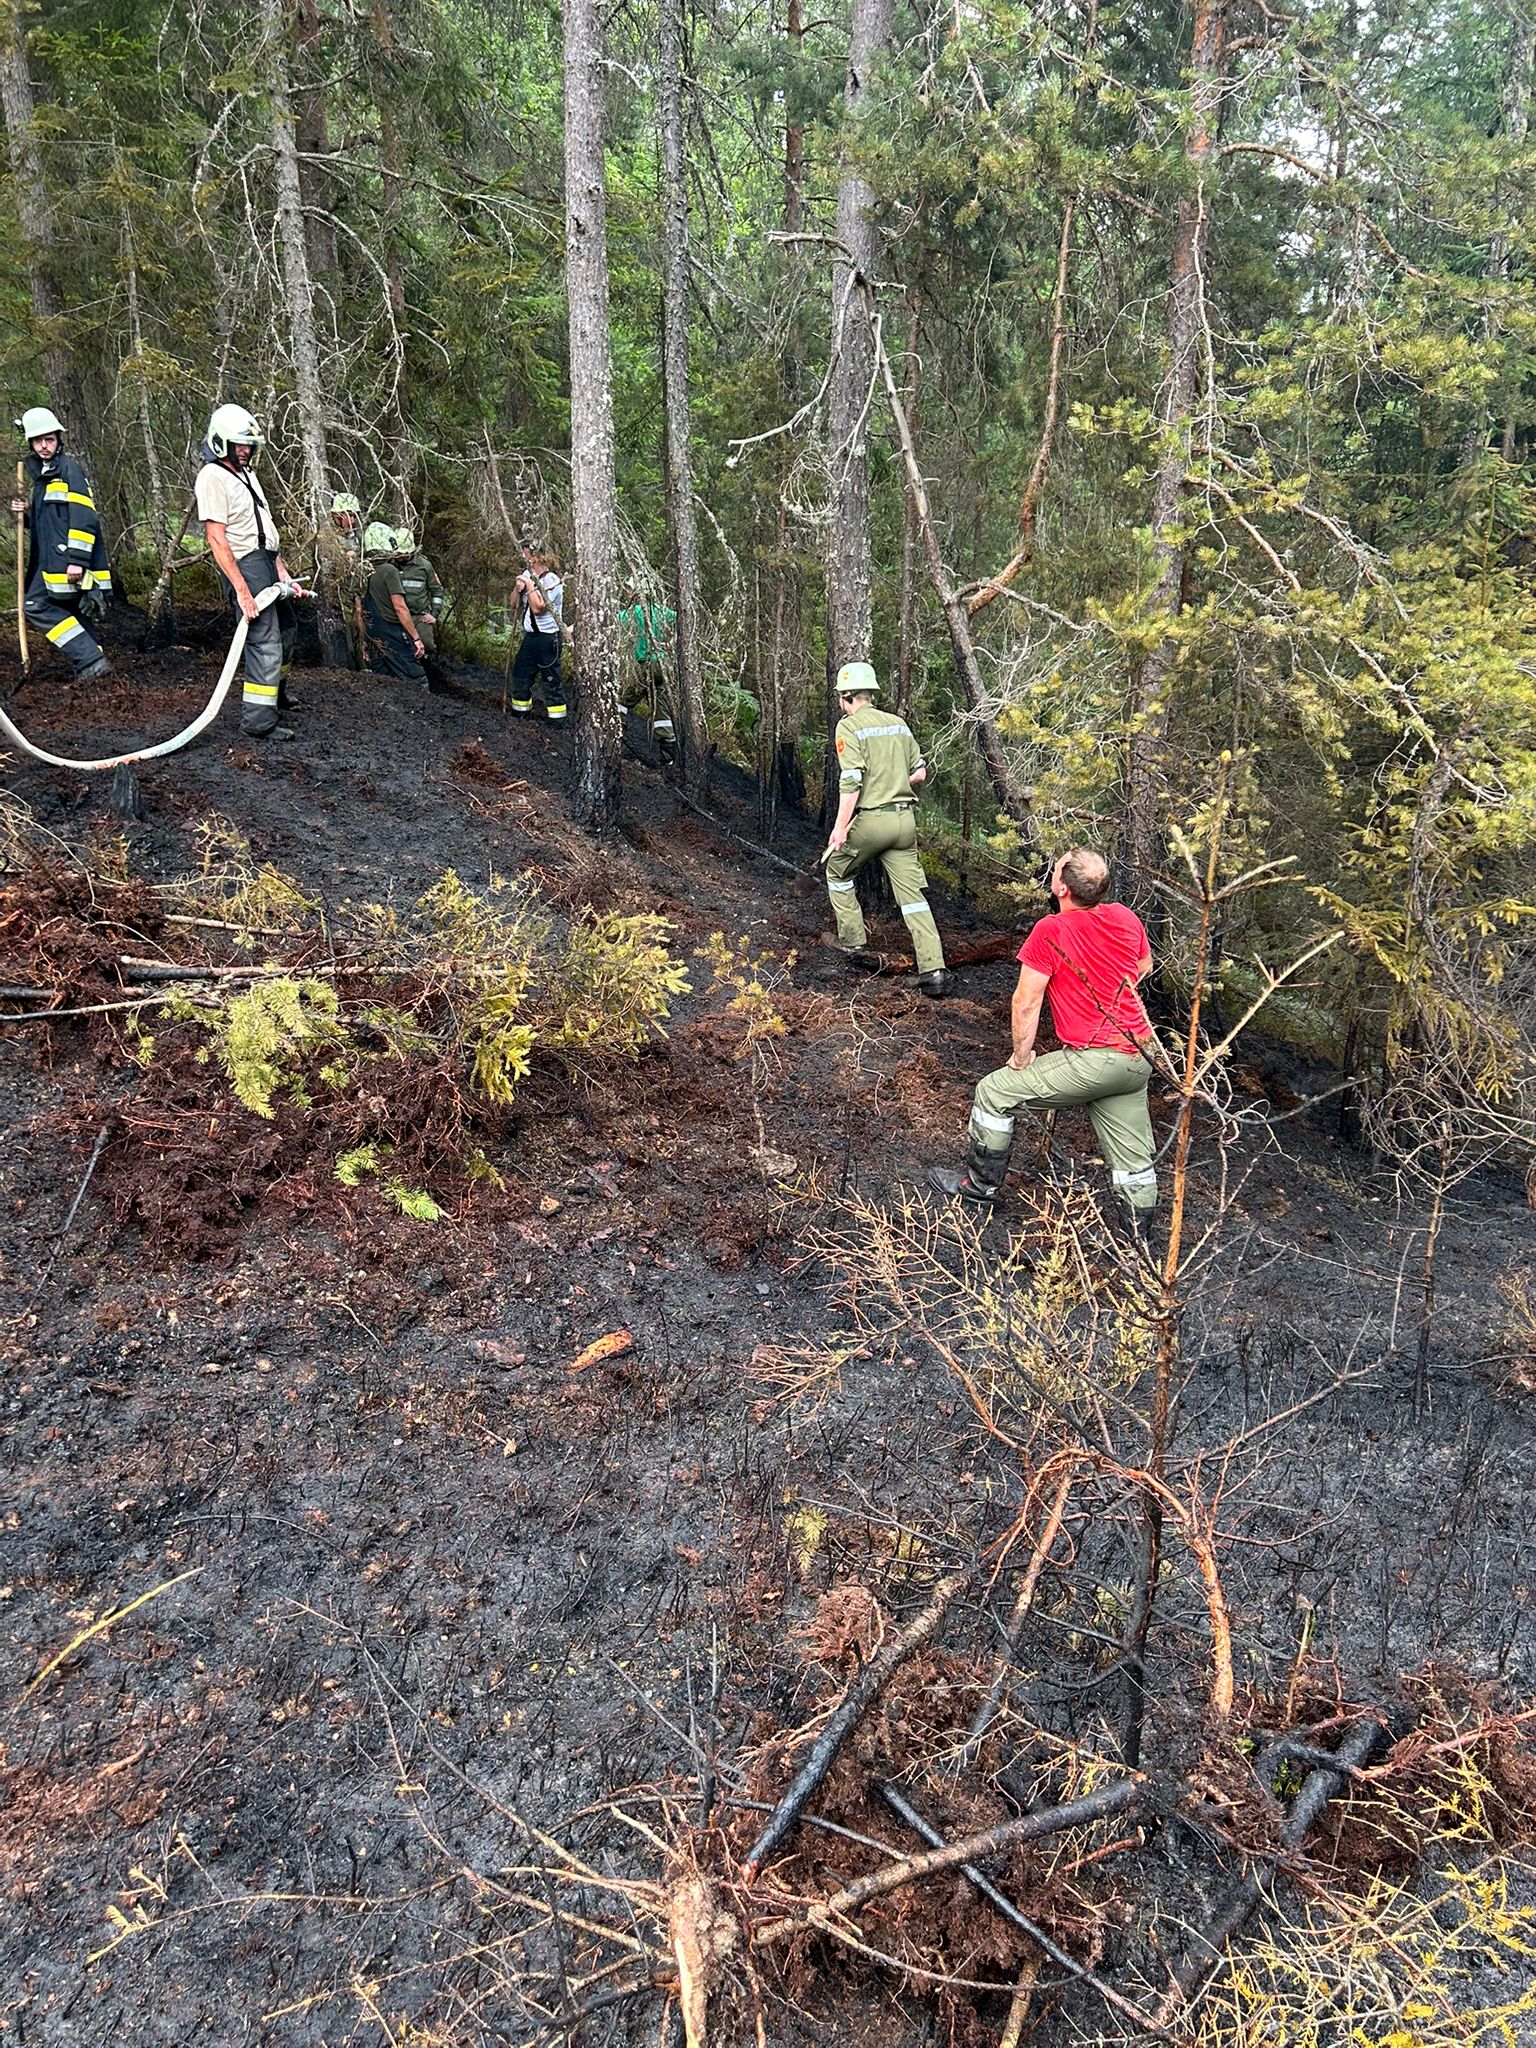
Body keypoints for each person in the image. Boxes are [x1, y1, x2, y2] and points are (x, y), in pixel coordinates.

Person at [928, 847, 1159, 1219]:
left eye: (1056, 869)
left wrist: (1021, 1057)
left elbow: (1025, 1002)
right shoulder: (1124, 916)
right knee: (1132, 1156)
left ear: (1063, 889)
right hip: (1139, 1055)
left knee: (993, 1093)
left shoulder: (1051, 929)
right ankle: (1140, 1237)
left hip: (1095, 1060)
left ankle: (979, 1189)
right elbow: (1144, 965)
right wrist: (1109, 986)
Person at [823, 662, 955, 998]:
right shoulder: (897, 724)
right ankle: (934, 970)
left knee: (837, 872)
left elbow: (851, 782)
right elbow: (920, 773)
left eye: (841, 696)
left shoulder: (848, 727)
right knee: (912, 898)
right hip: (904, 823)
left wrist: (839, 830)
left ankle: (852, 945)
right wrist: (895, 782)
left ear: (847, 697)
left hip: (873, 822)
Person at [194, 404, 305, 739]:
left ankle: (276, 693)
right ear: (220, 442)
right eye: (239, 445)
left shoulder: (247, 474)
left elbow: (264, 531)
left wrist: (283, 573)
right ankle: (258, 722)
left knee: (287, 629)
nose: (245, 450)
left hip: (266, 562)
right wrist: (242, 590)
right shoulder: (212, 477)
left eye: (249, 445)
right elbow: (216, 538)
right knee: (265, 639)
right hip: (245, 567)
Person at [10, 405, 112, 683]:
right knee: (73, 610)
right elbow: (50, 522)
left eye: (50, 439)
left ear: (58, 440)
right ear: (31, 442)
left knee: (34, 605)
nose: (45, 445)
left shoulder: (68, 470)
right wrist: (27, 514)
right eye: (39, 440)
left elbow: (84, 518)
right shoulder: (43, 477)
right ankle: (95, 668)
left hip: (66, 562)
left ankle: (90, 659)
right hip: (52, 561)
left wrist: (77, 561)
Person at [361, 521, 426, 683]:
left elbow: (358, 609)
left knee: (383, 679)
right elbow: (400, 608)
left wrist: (363, 640)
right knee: (416, 678)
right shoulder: (390, 571)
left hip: (372, 632)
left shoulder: (363, 570)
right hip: (392, 631)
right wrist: (416, 638)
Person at [619, 587, 678, 765]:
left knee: (621, 700)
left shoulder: (634, 612)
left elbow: (608, 619)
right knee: (662, 712)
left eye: (629, 590)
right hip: (664, 666)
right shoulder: (663, 611)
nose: (627, 593)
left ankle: (614, 739)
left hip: (647, 665)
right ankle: (668, 757)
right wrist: (671, 642)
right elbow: (686, 619)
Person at [507, 544, 566, 721]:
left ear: (534, 557)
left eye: (525, 554)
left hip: (548, 640)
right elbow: (512, 603)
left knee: (551, 681)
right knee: (519, 676)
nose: (523, 557)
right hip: (530, 638)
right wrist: (517, 589)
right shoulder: (525, 575)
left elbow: (538, 608)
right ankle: (520, 715)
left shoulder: (553, 581)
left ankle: (557, 723)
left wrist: (530, 584)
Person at [394, 526, 449, 691]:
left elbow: (437, 590)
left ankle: (427, 672)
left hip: (419, 616)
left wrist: (435, 614)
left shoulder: (424, 565)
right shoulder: (391, 565)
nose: (401, 557)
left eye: (404, 554)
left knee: (426, 645)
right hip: (397, 615)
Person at [330, 491, 366, 664]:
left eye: (353, 516)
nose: (352, 521)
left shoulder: (355, 537)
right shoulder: (328, 538)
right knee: (347, 640)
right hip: (338, 596)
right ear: (337, 515)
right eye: (348, 515)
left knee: (359, 633)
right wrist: (343, 559)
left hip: (355, 593)